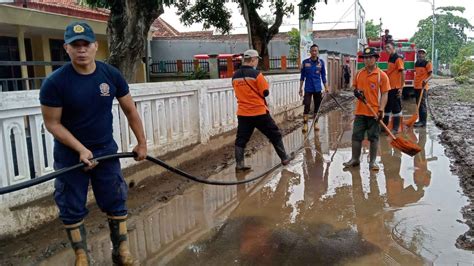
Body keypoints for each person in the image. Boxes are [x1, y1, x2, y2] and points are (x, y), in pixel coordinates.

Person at [40, 22, 147, 266]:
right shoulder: (55, 83)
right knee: (71, 204)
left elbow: (130, 110)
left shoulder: (110, 75)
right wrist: (80, 149)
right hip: (70, 155)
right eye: (75, 45)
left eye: (86, 44)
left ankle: (121, 252)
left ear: (95, 46)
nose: (81, 49)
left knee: (116, 198)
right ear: (66, 48)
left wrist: (142, 143)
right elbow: (53, 123)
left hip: (105, 151)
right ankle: (82, 256)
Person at [232, 49, 293, 172]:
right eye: (256, 60)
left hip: (243, 113)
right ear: (253, 60)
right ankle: (284, 158)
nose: (256, 63)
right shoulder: (257, 75)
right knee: (275, 134)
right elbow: (265, 92)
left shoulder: (235, 76)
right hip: (259, 113)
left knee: (241, 139)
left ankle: (239, 165)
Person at [343, 47, 389, 171]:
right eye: (365, 58)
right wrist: (356, 93)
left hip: (374, 113)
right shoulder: (359, 73)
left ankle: (373, 162)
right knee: (356, 136)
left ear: (375, 59)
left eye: (370, 57)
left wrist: (381, 110)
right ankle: (355, 159)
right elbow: (355, 89)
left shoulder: (381, 75)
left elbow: (385, 94)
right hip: (360, 111)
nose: (367, 60)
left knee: (373, 137)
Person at [299, 44, 329, 132]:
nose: (314, 52)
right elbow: (302, 77)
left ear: (318, 52)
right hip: (308, 88)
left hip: (317, 88)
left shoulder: (321, 63)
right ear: (310, 52)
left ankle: (316, 123)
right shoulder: (305, 62)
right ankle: (305, 124)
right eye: (313, 51)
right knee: (307, 105)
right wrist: (300, 88)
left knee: (317, 106)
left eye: (316, 51)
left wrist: (326, 87)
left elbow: (323, 77)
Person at [384, 42, 405, 134]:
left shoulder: (398, 58)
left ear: (394, 48)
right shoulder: (390, 58)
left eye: (388, 47)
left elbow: (402, 73)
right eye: (385, 48)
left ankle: (395, 129)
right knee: (387, 107)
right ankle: (385, 125)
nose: (386, 49)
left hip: (396, 87)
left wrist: (401, 88)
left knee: (396, 108)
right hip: (389, 87)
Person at [413, 48, 433, 127]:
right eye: (420, 53)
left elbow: (431, 75)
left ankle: (423, 122)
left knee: (422, 104)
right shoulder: (417, 63)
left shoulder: (427, 63)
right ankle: (420, 120)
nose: (421, 54)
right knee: (418, 104)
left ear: (425, 55)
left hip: (423, 87)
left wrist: (426, 80)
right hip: (416, 86)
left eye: (422, 53)